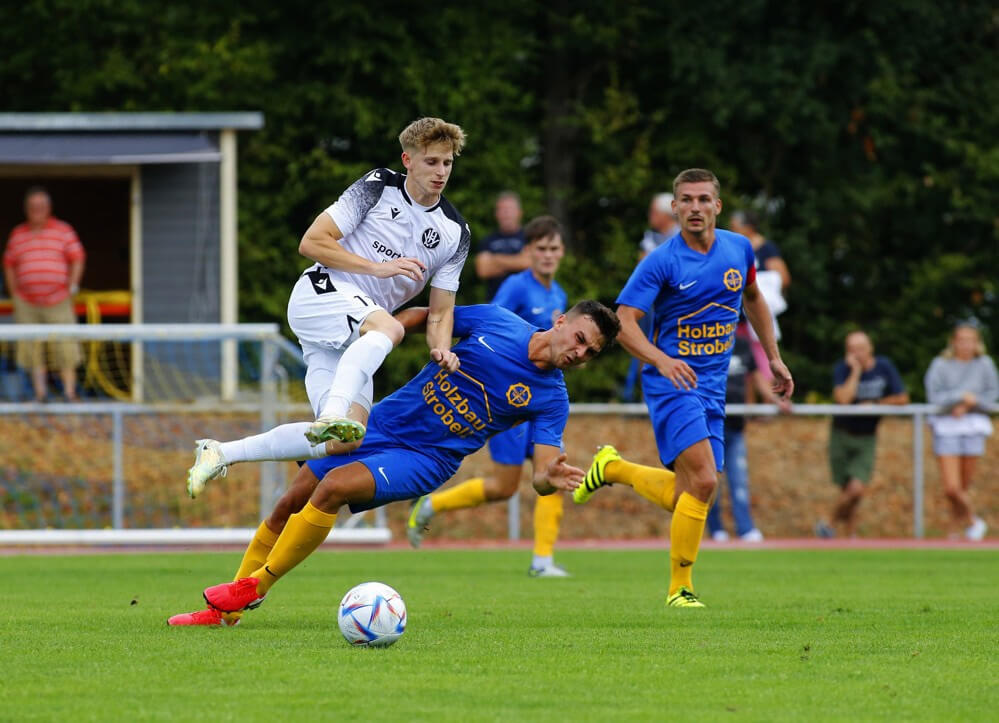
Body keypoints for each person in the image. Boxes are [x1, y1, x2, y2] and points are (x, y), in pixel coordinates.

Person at [167, 300, 620, 625]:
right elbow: (428, 315)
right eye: (581, 339)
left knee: (333, 488)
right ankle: (222, 614)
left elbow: (541, 476)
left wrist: (549, 478)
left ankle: (255, 588)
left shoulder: (552, 398)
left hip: (427, 457)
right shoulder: (498, 322)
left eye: (591, 353)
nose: (580, 353)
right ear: (561, 321)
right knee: (289, 503)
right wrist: (381, 340)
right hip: (382, 422)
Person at [185, 117, 470, 498]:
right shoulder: (378, 186)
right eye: (432, 161)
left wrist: (442, 349)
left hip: (353, 333)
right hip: (321, 294)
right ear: (408, 160)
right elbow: (313, 242)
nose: (441, 172)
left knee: (345, 439)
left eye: (447, 163)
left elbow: (440, 312)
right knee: (390, 329)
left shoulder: (455, 233)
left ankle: (220, 452)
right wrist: (378, 268)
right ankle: (333, 410)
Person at [572, 168, 793, 608]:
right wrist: (661, 359)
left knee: (691, 492)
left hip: (713, 387)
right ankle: (680, 590)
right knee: (706, 480)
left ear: (717, 206)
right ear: (674, 208)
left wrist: (772, 357)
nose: (695, 207)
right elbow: (623, 321)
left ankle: (613, 469)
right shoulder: (662, 261)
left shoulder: (739, 249)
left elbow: (753, 299)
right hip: (671, 383)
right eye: (686, 200)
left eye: (703, 199)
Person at [406, 215, 571, 577]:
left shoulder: (558, 295)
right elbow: (494, 328)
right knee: (504, 487)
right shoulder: (516, 286)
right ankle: (431, 505)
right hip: (508, 401)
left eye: (554, 248)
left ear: (562, 253)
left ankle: (542, 561)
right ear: (528, 251)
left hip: (538, 401)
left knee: (552, 470)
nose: (547, 255)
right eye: (541, 248)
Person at [814, 330, 908, 538]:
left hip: (867, 437)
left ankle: (828, 522)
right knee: (847, 490)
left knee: (856, 489)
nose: (856, 353)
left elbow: (902, 398)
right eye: (852, 350)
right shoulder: (842, 369)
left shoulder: (884, 367)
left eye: (861, 349)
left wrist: (875, 404)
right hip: (841, 434)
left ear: (870, 348)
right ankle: (851, 535)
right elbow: (843, 399)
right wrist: (855, 372)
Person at [3, 186, 86, 402]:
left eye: (41, 206)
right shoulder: (18, 234)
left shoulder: (63, 230)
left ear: (49, 208)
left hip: (59, 300)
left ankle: (69, 393)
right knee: (31, 347)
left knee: (65, 345)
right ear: (26, 209)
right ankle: (40, 395)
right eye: (32, 206)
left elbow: (78, 257)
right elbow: (9, 263)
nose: (36, 210)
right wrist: (14, 293)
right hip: (27, 303)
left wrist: (73, 286)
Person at [706, 336, 789, 543]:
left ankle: (745, 528)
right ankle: (715, 529)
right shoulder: (705, 342)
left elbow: (756, 377)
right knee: (710, 480)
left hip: (735, 427)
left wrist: (776, 400)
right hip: (710, 426)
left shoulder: (743, 345)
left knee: (739, 480)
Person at [924, 320, 998, 540]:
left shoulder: (985, 364)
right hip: (947, 426)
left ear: (977, 343)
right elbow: (934, 396)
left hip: (973, 425)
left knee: (963, 486)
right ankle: (974, 521)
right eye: (962, 340)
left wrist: (970, 404)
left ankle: (954, 531)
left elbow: (992, 394)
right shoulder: (940, 364)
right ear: (953, 342)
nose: (966, 345)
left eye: (970, 340)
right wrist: (958, 399)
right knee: (952, 487)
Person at [621, 193, 678, 402]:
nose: (650, 216)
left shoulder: (682, 237)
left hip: (674, 307)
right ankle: (646, 400)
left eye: (654, 211)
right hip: (650, 305)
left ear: (666, 214)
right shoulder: (650, 239)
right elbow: (642, 273)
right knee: (643, 347)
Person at [729, 209, 790, 397]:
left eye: (735, 227)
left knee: (764, 363)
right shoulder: (733, 248)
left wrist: (758, 284)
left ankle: (772, 402)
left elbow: (783, 278)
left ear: (748, 227)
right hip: (738, 318)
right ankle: (749, 406)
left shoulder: (766, 248)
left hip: (755, 316)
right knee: (743, 365)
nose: (732, 231)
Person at [474, 191, 530, 299]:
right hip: (495, 300)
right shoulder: (487, 240)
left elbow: (528, 264)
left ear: (520, 212)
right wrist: (517, 261)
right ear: (496, 214)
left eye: (510, 209)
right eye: (503, 210)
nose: (506, 214)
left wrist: (495, 259)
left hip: (525, 301)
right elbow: (483, 270)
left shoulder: (529, 238)